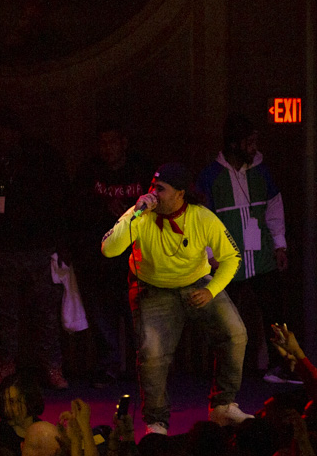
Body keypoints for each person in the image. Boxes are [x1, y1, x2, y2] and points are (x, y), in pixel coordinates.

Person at [101, 162, 250, 434]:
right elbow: (109, 250)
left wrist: (210, 290)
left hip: (197, 284)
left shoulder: (202, 218)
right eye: (152, 187)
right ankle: (156, 421)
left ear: (180, 194)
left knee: (235, 334)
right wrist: (134, 213)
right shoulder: (141, 216)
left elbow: (231, 258)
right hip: (153, 288)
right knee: (152, 355)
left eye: (160, 189)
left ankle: (222, 406)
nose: (153, 194)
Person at [0, 107, 70, 391]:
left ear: (14, 132)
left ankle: (53, 367)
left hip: (39, 248)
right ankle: (5, 365)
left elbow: (61, 200)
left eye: (2, 132)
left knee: (46, 312)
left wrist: (61, 242)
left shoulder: (42, 157)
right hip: (3, 250)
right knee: (3, 313)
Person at [197, 114, 291, 382]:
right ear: (235, 144)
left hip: (262, 259)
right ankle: (228, 372)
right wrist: (210, 257)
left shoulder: (262, 171)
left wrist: (280, 246)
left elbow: (274, 209)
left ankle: (280, 366)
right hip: (228, 262)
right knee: (226, 321)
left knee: (275, 315)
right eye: (249, 143)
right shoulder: (211, 176)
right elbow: (202, 220)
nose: (254, 148)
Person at [72, 121, 154, 388]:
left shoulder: (141, 170)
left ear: (124, 143)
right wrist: (102, 206)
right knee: (102, 318)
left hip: (135, 259)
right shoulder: (89, 172)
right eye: (103, 143)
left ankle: (139, 369)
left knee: (136, 317)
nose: (108, 148)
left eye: (113, 142)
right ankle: (108, 367)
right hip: (98, 262)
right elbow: (75, 209)